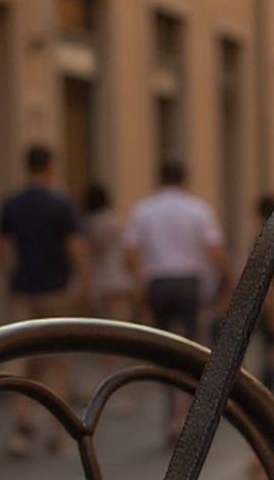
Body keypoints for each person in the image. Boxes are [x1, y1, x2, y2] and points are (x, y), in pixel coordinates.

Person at [124, 161, 230, 439]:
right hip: (188, 285)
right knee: (192, 350)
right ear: (185, 178)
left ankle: (173, 415)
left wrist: (139, 282)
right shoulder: (197, 209)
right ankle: (188, 415)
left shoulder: (143, 209)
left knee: (165, 351)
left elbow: (130, 252)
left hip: (158, 284)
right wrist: (227, 281)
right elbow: (214, 250)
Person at [0, 145, 91, 456]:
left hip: (24, 291)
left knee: (23, 359)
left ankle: (20, 428)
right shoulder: (62, 204)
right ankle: (56, 430)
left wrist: (14, 277)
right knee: (58, 361)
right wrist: (84, 284)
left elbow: (3, 249)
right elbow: (76, 248)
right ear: (51, 166)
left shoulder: (12, 204)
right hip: (56, 290)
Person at [84, 181, 133, 323]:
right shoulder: (113, 220)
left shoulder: (90, 223)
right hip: (117, 276)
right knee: (120, 321)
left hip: (98, 278)